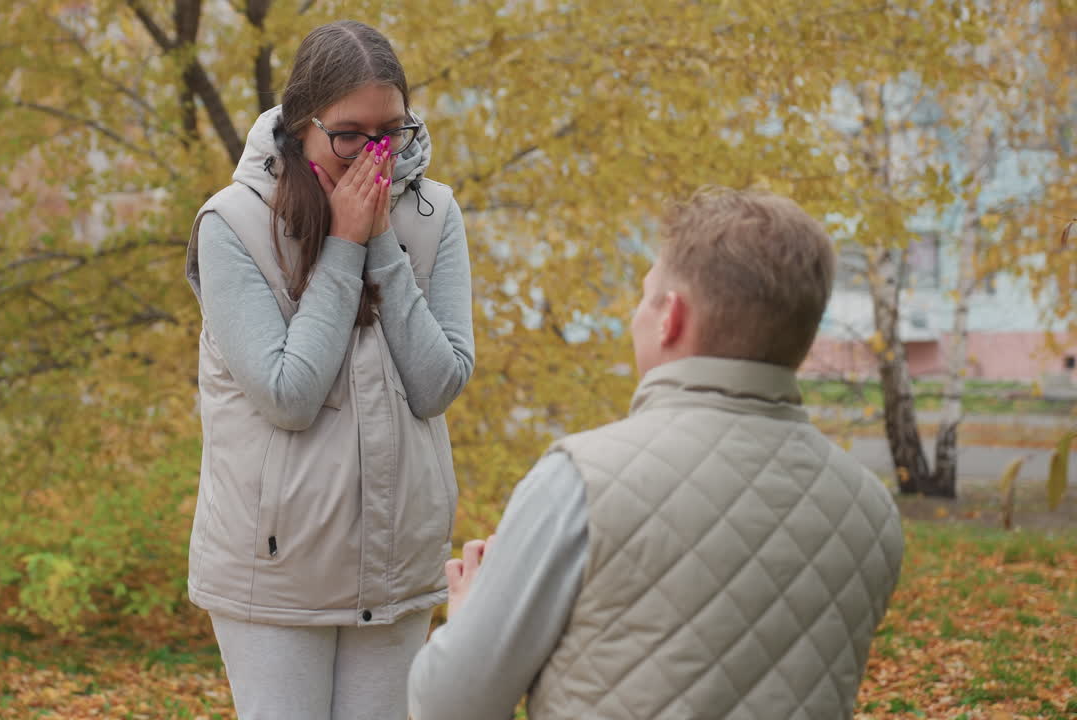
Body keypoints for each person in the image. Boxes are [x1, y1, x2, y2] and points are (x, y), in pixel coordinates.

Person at [408, 188, 904, 720]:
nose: (634, 319)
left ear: (671, 317)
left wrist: (467, 616)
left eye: (645, 298)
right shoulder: (870, 509)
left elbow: (448, 705)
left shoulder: (581, 481)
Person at [182, 20, 474, 720]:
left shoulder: (434, 215)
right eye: (349, 134)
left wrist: (381, 248)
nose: (373, 154)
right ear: (300, 123)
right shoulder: (233, 225)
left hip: (396, 557)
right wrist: (344, 246)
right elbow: (289, 394)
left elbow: (438, 384)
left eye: (391, 131)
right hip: (275, 566)